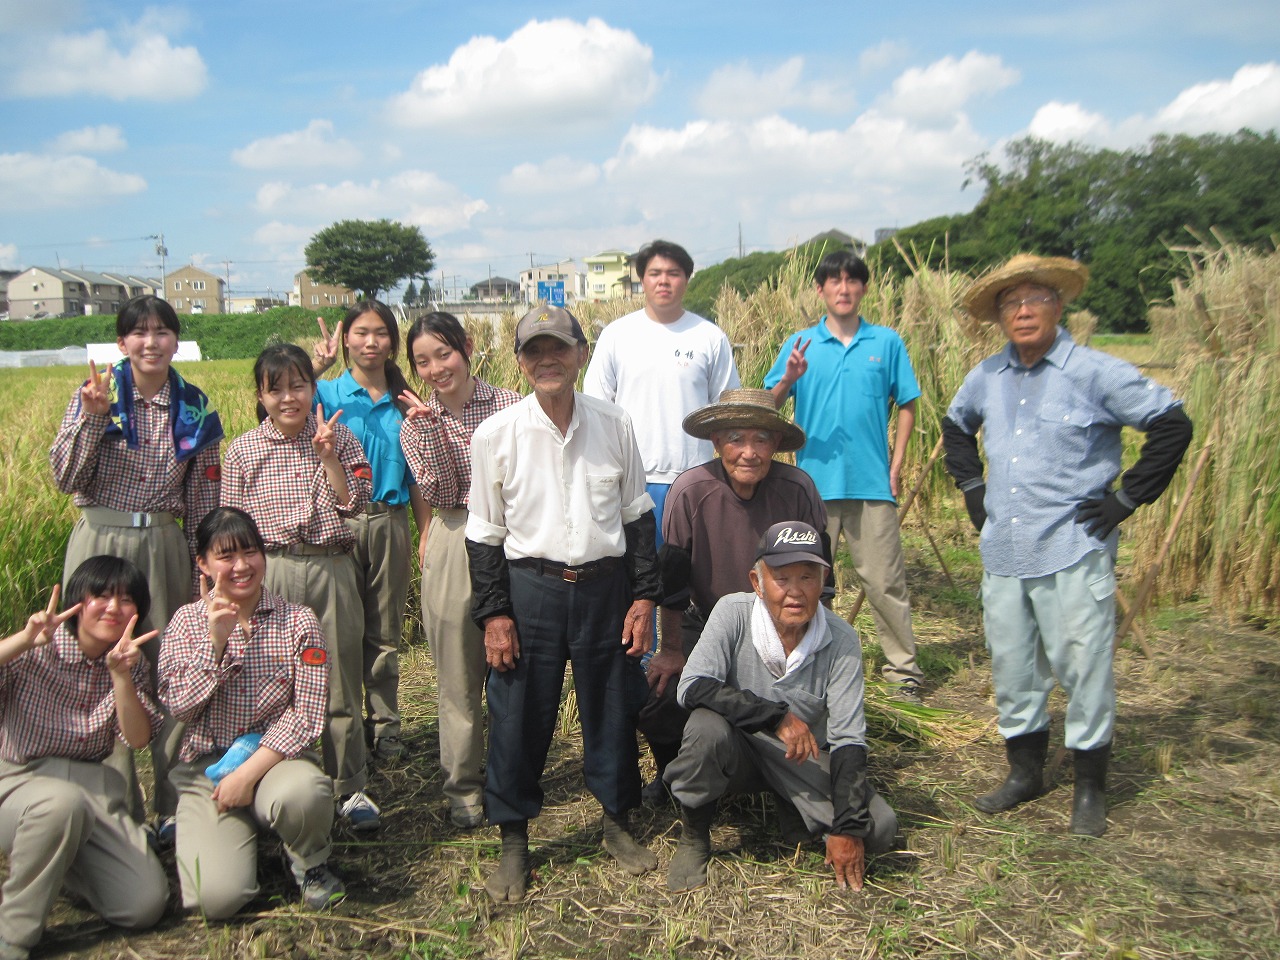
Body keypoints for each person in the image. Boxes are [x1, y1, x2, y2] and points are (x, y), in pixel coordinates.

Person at [942, 253, 1193, 837]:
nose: (1023, 311)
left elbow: (1172, 423)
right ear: (999, 316)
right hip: (1004, 551)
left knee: (1084, 668)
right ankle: (1024, 774)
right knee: (1013, 668)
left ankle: (1088, 790)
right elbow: (955, 426)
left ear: (1059, 307)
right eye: (1011, 303)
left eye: (1035, 300)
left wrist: (1126, 499)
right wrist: (974, 486)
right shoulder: (986, 377)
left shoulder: (1094, 372)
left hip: (1073, 548)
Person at [466, 305, 663, 902]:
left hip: (604, 586)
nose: (547, 360)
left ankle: (615, 822)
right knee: (518, 712)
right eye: (534, 351)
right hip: (532, 589)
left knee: (611, 705)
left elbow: (637, 516)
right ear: (521, 362)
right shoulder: (496, 435)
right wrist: (495, 614)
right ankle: (514, 843)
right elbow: (484, 535)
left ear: (582, 353)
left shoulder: (614, 424)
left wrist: (645, 595)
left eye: (560, 348)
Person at [49, 294, 223, 832]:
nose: (151, 342)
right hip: (101, 539)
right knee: (99, 663)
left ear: (176, 340)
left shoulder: (193, 405)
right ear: (121, 343)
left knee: (172, 660)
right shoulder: (95, 398)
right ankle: (116, 810)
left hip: (166, 543)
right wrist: (92, 423)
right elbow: (65, 479)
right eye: (139, 333)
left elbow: (204, 494)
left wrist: (206, 565)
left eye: (162, 331)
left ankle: (178, 807)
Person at [665, 521, 898, 892]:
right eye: (781, 578)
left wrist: (848, 827)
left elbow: (849, 740)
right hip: (738, 749)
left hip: (799, 759)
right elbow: (692, 687)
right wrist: (774, 716)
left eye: (807, 577)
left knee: (880, 829)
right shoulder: (733, 613)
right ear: (757, 583)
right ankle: (694, 835)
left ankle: (790, 804)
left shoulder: (841, 640)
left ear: (822, 582)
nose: (795, 592)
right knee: (705, 727)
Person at [640, 388, 830, 800]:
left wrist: (814, 646)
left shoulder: (798, 490)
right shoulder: (690, 490)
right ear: (716, 441)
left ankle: (781, 777)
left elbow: (822, 580)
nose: (749, 452)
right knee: (660, 698)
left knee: (810, 701)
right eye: (736, 439)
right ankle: (672, 773)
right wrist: (671, 648)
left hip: (785, 626)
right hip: (706, 623)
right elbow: (672, 583)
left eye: (761, 439)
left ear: (776, 444)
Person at [220, 344, 380, 831]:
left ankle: (348, 786)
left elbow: (357, 502)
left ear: (314, 390)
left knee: (339, 675)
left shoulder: (341, 437)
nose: (288, 397)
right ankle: (280, 780)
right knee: (271, 679)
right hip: (269, 572)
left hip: (330, 567)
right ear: (261, 395)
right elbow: (229, 528)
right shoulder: (244, 450)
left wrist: (329, 459)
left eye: (298, 386)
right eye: (277, 389)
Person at [160, 507, 343, 917]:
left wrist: (246, 775)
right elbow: (179, 706)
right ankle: (244, 841)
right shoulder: (186, 624)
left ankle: (310, 863)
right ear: (203, 564)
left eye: (250, 552)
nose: (241, 566)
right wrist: (215, 645)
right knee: (217, 899)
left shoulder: (299, 622)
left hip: (275, 761)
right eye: (226, 556)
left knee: (304, 794)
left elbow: (307, 716)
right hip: (205, 770)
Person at [765, 250, 925, 701]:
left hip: (873, 484)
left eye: (852, 281)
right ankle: (810, 669)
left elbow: (909, 402)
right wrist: (788, 378)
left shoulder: (886, 343)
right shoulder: (801, 344)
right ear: (820, 290)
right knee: (811, 584)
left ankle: (903, 672)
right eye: (834, 281)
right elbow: (769, 407)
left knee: (885, 581)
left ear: (863, 289)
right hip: (812, 488)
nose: (843, 288)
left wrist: (897, 465)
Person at [0, 558, 167, 960]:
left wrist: (121, 677)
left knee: (143, 904)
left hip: (92, 793)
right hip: (18, 782)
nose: (114, 607)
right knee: (60, 805)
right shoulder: (36, 648)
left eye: (127, 600)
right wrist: (23, 640)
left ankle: (61, 863)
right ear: (79, 600)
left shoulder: (128, 663)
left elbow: (139, 738)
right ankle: (13, 938)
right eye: (102, 596)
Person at [398, 312, 521, 829]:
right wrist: (428, 433)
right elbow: (445, 494)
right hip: (455, 533)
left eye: (443, 354)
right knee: (457, 672)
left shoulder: (513, 405)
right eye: (422, 361)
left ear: (467, 347)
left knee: (516, 671)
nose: (435, 369)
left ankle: (513, 778)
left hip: (516, 537)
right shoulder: (415, 423)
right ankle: (464, 788)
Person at [311, 303, 424, 764]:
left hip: (390, 519)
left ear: (393, 344)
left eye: (380, 333)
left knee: (384, 631)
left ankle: (386, 726)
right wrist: (314, 364)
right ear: (346, 341)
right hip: (336, 523)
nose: (371, 342)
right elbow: (272, 406)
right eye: (361, 333)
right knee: (338, 632)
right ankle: (343, 729)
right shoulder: (324, 392)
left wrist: (426, 531)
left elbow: (417, 474)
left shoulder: (406, 401)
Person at [583, 239, 740, 539]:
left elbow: (726, 408)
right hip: (632, 480)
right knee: (638, 574)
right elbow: (596, 406)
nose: (664, 281)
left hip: (697, 476)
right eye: (655, 273)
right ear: (642, 279)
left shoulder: (709, 337)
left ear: (687, 279)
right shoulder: (617, 335)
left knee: (693, 572)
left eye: (674, 272)